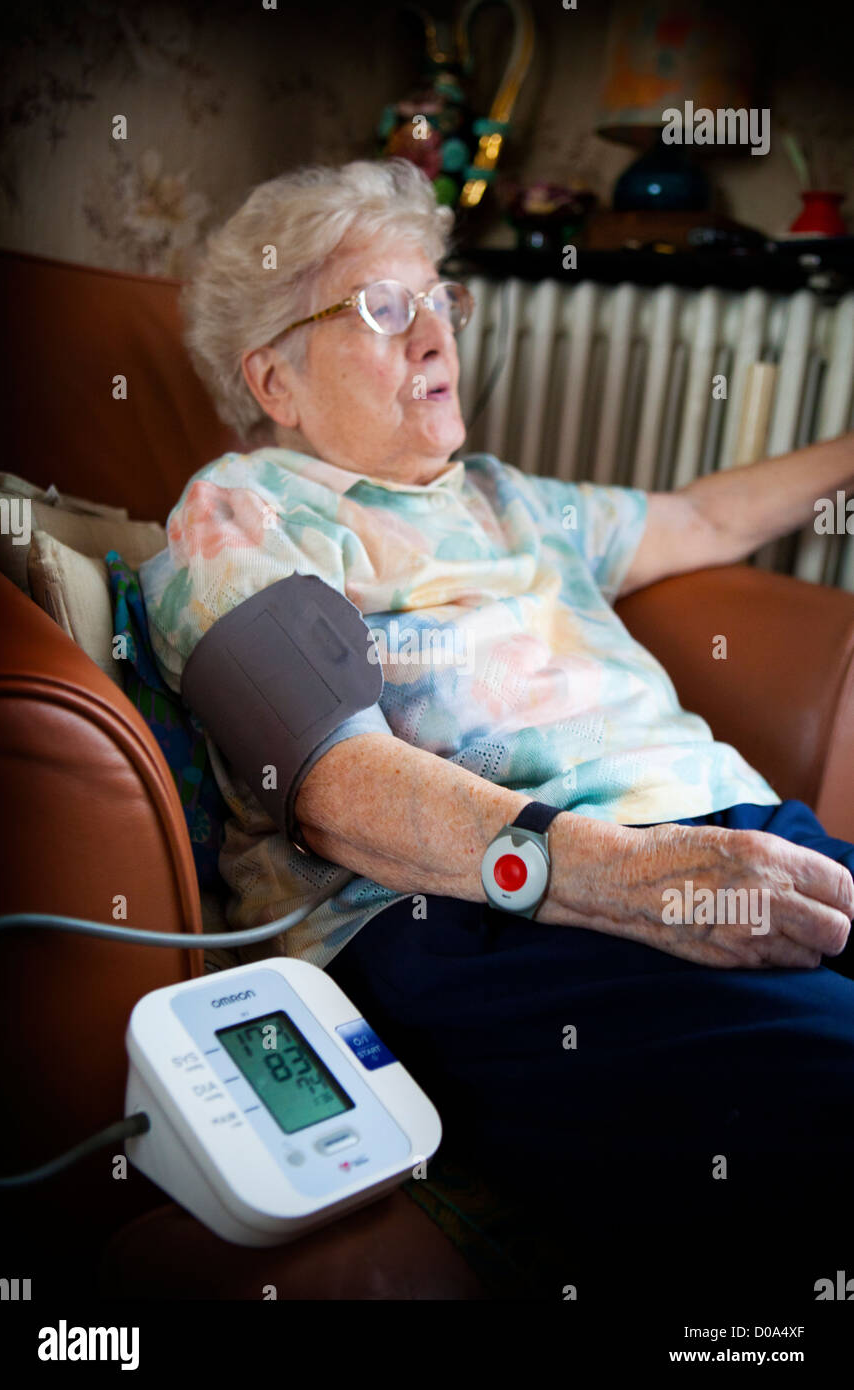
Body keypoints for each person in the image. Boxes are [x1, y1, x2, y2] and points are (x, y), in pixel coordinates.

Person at [139, 158, 854, 1299]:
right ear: (273, 377)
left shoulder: (509, 498)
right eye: (384, 308)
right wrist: (621, 873)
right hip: (476, 906)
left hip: (720, 835)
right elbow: (331, 777)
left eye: (440, 298)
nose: (435, 336)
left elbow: (708, 513)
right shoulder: (241, 511)